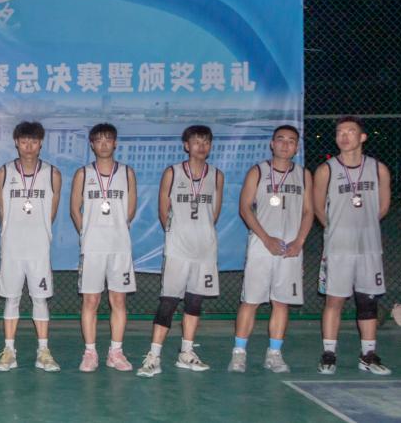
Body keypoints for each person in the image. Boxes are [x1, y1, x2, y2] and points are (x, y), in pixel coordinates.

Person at [137, 125, 223, 378]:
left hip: (205, 249)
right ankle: (154, 355)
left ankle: (186, 352)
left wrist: (201, 234)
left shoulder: (216, 175)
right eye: (196, 141)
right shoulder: (172, 173)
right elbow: (163, 210)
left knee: (195, 301)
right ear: (186, 145)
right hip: (178, 249)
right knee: (169, 301)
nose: (201, 146)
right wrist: (177, 234)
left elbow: (214, 213)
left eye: (206, 142)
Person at [229, 125, 313, 373]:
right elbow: (245, 207)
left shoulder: (303, 175)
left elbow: (309, 211)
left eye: (291, 141)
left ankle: (274, 354)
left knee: (281, 302)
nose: (285, 145)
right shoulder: (258, 171)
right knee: (251, 301)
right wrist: (266, 238)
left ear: (296, 147)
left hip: (290, 248)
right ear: (272, 144)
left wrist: (299, 241)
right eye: (281, 139)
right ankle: (239, 353)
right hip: (261, 246)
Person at [313, 116, 392, 375]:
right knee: (334, 300)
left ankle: (368, 355)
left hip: (369, 247)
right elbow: (318, 208)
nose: (344, 136)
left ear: (362, 137)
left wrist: (362, 226)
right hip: (338, 248)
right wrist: (338, 229)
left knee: (367, 301)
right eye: (340, 132)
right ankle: (329, 353)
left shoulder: (378, 169)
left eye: (350, 131)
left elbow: (382, 207)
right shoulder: (326, 170)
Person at [0, 121, 62, 373]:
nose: (29, 146)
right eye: (24, 141)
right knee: (11, 298)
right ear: (16, 143)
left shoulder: (53, 174)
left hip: (38, 248)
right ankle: (9, 351)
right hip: (12, 247)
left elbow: (51, 213)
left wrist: (36, 232)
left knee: (40, 299)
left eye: (33, 141)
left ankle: (43, 351)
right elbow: (3, 211)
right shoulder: (4, 172)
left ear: (40, 143)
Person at [69, 123, 137, 373]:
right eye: (99, 140)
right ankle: (90, 352)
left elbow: (131, 209)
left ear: (115, 143)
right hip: (92, 248)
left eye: (108, 139)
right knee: (91, 300)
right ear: (92, 144)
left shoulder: (127, 173)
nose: (104, 144)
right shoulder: (83, 174)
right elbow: (74, 208)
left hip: (120, 247)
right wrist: (86, 233)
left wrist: (117, 228)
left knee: (118, 299)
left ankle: (115, 352)